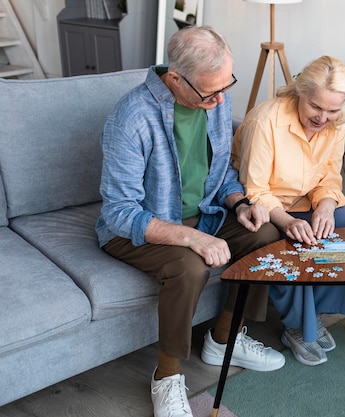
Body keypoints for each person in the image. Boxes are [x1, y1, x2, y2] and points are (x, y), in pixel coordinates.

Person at [96, 26, 285, 417]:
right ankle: (166, 377)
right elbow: (119, 212)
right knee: (190, 266)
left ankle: (223, 340)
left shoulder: (212, 100)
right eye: (209, 93)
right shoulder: (131, 118)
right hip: (138, 229)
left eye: (225, 87)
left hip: (208, 215)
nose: (219, 101)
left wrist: (240, 203)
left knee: (265, 233)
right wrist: (190, 238)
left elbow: (221, 176)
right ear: (176, 79)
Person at [232, 55, 345, 366]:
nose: (323, 117)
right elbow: (256, 189)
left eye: (332, 110)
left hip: (302, 203)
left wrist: (326, 208)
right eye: (316, 107)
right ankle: (296, 325)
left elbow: (329, 177)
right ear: (300, 91)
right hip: (261, 208)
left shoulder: (335, 123)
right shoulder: (266, 120)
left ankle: (313, 314)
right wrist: (288, 222)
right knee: (289, 240)